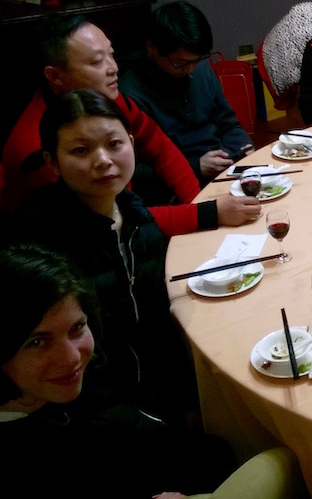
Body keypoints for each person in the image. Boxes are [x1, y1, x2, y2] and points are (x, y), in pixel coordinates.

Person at [0, 244, 306, 499]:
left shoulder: (54, 394)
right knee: (286, 461)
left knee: (216, 453)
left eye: (77, 327)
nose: (71, 358)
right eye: (37, 342)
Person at [13, 90, 197, 426]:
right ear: (52, 162)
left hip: (156, 394)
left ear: (131, 144)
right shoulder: (40, 245)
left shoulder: (138, 219)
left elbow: (159, 322)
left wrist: (187, 400)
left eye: (114, 144)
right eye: (81, 150)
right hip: (92, 413)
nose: (102, 160)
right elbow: (61, 363)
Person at [0, 14, 260, 235]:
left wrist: (198, 203)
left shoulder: (107, 98)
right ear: (55, 76)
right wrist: (207, 213)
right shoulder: (36, 146)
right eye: (96, 62)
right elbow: (112, 220)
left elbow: (161, 148)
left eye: (111, 55)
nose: (113, 68)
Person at [119, 1, 254, 186]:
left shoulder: (200, 68)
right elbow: (133, 172)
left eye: (196, 61)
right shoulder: (130, 94)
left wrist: (244, 148)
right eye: (180, 63)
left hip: (222, 169)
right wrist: (196, 167)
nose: (190, 69)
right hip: (177, 185)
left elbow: (228, 122)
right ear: (151, 47)